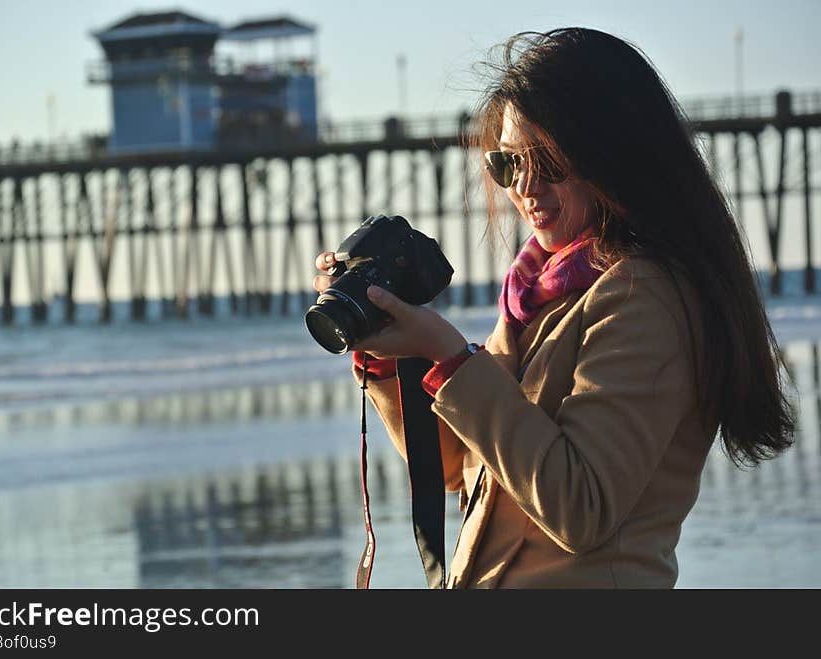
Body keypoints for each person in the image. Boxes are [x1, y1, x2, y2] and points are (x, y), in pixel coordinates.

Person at [312, 27, 795, 588]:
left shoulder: (643, 296)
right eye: (508, 164)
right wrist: (392, 361)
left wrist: (447, 352)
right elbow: (457, 466)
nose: (526, 188)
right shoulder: (539, 294)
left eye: (551, 162)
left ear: (612, 156)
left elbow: (580, 507)